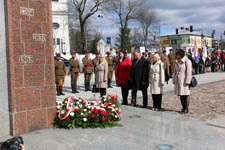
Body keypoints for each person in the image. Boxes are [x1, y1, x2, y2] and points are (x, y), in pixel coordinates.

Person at [173, 49, 192, 114]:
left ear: (181, 55)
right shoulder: (177, 61)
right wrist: (174, 80)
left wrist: (187, 81)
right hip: (178, 80)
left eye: (178, 54)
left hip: (184, 80)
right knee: (181, 94)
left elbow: (189, 72)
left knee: (186, 94)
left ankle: (186, 108)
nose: (177, 56)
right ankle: (183, 107)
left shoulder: (187, 61)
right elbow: (175, 71)